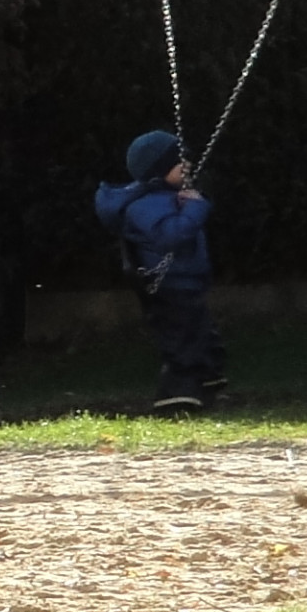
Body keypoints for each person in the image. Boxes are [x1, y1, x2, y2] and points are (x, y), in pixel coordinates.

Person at [93, 130, 223, 412]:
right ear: (158, 170)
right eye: (179, 163)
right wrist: (195, 209)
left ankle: (208, 378)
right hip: (169, 284)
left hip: (187, 280)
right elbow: (171, 236)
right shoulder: (144, 206)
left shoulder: (167, 198)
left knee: (201, 332)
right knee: (182, 339)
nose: (187, 165)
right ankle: (176, 394)